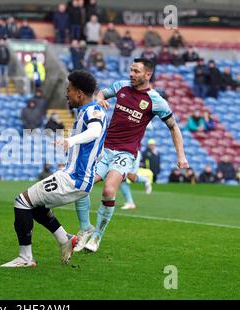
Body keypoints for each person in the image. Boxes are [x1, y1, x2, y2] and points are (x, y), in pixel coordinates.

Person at [73, 58, 189, 253]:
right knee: (80, 186)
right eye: (131, 70)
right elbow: (101, 93)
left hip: (125, 153)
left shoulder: (156, 101)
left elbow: (173, 126)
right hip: (104, 149)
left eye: (136, 71)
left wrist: (181, 156)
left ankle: (97, 237)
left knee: (109, 191)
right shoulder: (121, 87)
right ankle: (85, 228)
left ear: (147, 75)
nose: (131, 74)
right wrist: (100, 99)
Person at [0, 70, 107, 267]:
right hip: (75, 176)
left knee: (21, 202)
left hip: (74, 178)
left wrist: (71, 140)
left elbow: (95, 131)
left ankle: (25, 258)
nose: (66, 94)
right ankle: (66, 240)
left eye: (69, 89)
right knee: (37, 206)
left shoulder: (94, 111)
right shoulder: (86, 111)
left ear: (79, 93)